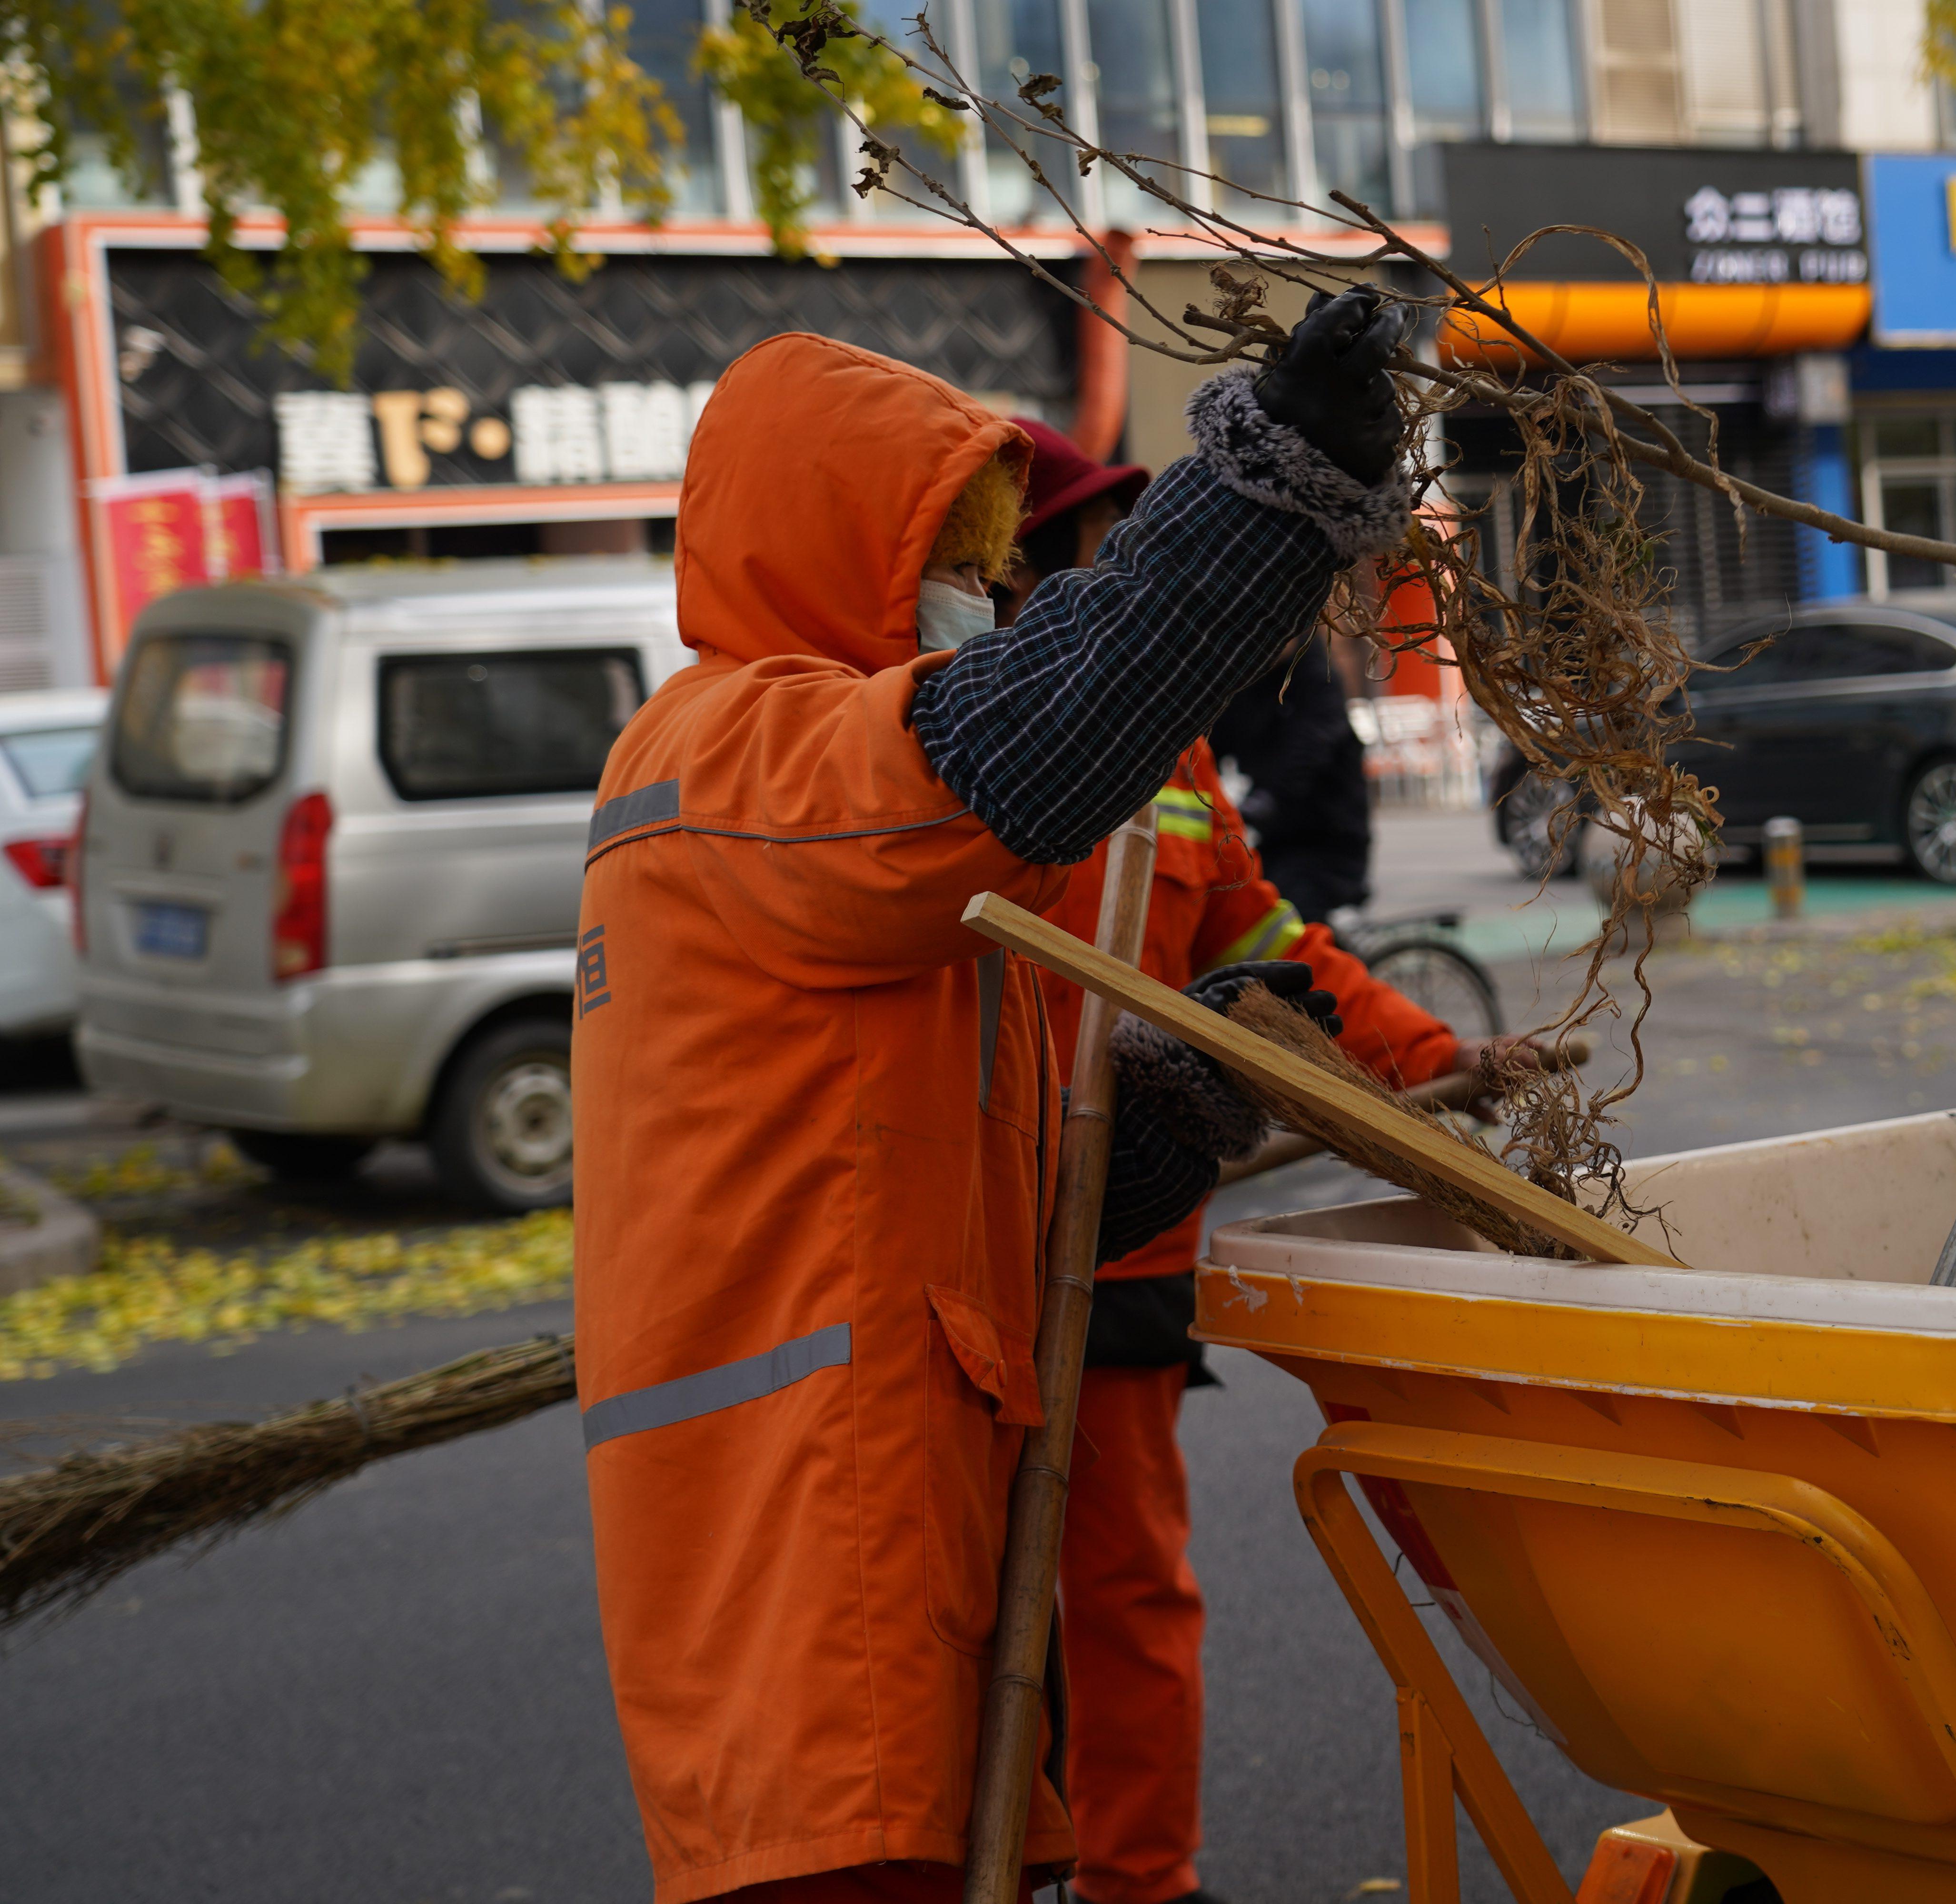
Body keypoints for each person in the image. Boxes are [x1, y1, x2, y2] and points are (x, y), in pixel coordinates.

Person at [571, 290, 1412, 1904]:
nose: (990, 598)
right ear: (838, 547)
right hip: (810, 1560)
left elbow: (945, 1183)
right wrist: (1262, 490)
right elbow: (1025, 745)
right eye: (955, 563)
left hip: (890, 1544)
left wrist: (1170, 1111)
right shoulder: (741, 748)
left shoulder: (807, 799)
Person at [999, 424, 1526, 1904]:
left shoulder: (1169, 753)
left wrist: (1433, 1059)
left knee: (1123, 1593)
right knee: (955, 1613)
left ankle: (1137, 1885)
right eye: (1092, 555)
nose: (1117, 579)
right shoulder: (939, 737)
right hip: (958, 1259)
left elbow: (1261, 947)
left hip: (1122, 1252)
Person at [1207, 632, 1372, 928]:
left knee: (1290, 921)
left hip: (1327, 839)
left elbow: (1312, 746)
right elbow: (1217, 742)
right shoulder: (1247, 686)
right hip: (1275, 837)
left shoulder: (1319, 682)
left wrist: (1269, 799)